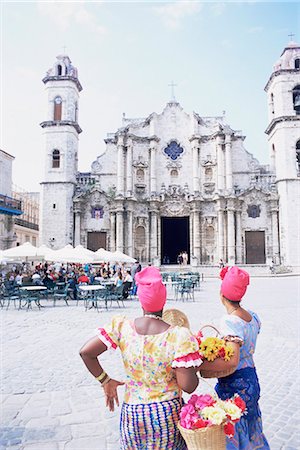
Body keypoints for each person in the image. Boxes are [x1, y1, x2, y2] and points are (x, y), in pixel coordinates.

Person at [80, 266, 202, 450]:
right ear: (164, 301)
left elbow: (86, 352)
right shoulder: (179, 336)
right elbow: (189, 386)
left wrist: (105, 380)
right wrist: (192, 367)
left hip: (132, 414)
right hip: (166, 416)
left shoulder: (121, 327)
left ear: (141, 302)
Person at [200, 266, 270, 449]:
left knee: (234, 427)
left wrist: (200, 365)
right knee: (251, 423)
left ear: (222, 294)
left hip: (235, 382)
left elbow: (232, 360)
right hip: (251, 378)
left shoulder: (230, 321)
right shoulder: (253, 317)